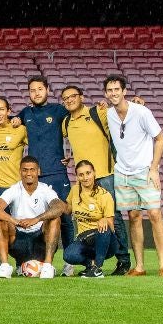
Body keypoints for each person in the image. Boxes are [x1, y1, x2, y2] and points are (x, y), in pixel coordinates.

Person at [59, 84, 131, 275]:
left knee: (114, 219)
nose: (69, 100)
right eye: (65, 98)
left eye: (72, 96)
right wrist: (69, 157)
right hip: (82, 178)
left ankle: (123, 260)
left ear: (81, 96)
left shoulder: (97, 112)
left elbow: (122, 115)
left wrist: (135, 103)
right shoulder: (66, 123)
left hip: (105, 175)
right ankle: (92, 261)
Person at [104, 74, 163, 277]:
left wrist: (154, 168)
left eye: (117, 89)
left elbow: (160, 139)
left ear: (124, 91)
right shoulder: (108, 114)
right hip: (122, 172)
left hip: (144, 171)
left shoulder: (141, 112)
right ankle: (140, 266)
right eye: (110, 90)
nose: (113, 93)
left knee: (155, 214)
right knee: (133, 217)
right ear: (106, 94)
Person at [16, 76, 75, 250]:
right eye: (32, 90)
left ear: (48, 90)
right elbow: (6, 118)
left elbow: (78, 121)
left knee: (65, 216)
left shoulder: (58, 110)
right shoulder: (25, 113)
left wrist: (73, 152)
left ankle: (69, 260)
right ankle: (34, 259)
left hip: (56, 172)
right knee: (34, 218)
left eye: (40, 89)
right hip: (35, 176)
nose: (36, 93)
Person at [0, 156, 69, 279]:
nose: (28, 173)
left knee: (55, 219)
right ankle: (4, 266)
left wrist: (36, 219)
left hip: (40, 241)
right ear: (20, 172)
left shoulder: (45, 189)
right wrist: (14, 221)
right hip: (18, 240)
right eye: (25, 170)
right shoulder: (14, 189)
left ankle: (47, 266)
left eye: (32, 169)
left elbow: (59, 207)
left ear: (38, 171)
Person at [0, 97, 28, 255]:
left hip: (13, 186)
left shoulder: (20, 129)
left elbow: (39, 144)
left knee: (14, 229)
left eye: (2, 109)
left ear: (9, 111)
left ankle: (20, 260)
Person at [63, 160, 117, 279]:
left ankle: (97, 269)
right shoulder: (74, 190)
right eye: (81, 174)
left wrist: (105, 220)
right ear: (77, 176)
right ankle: (91, 266)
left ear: (94, 173)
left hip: (105, 240)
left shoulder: (104, 195)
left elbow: (111, 226)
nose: (85, 177)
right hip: (84, 239)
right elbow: (67, 210)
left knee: (104, 227)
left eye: (88, 173)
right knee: (68, 255)